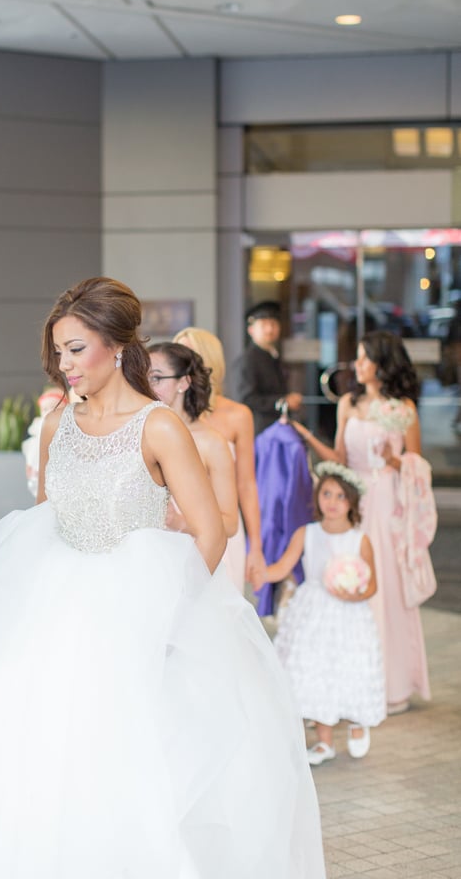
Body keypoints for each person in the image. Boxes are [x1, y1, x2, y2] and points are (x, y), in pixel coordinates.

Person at [0, 277, 326, 879]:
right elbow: (45, 520)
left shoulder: (158, 426)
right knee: (27, 761)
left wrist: (171, 612)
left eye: (76, 350)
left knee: (126, 766)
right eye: (58, 352)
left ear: (117, 346)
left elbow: (211, 531)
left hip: (135, 616)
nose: (64, 366)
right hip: (53, 617)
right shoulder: (56, 423)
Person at [292, 331, 431, 713]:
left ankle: (392, 683)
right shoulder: (348, 404)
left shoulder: (404, 408)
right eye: (357, 358)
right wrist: (306, 436)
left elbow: (418, 465)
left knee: (382, 584)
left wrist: (393, 460)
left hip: (386, 502)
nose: (358, 365)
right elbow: (338, 457)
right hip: (354, 502)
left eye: (365, 358)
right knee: (344, 575)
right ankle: (347, 681)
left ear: (383, 364)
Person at [266, 461, 385, 766]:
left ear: (352, 503)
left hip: (349, 614)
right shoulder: (306, 533)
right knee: (313, 670)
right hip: (313, 612)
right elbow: (283, 566)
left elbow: (372, 585)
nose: (332, 502)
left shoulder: (360, 540)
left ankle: (358, 722)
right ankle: (324, 741)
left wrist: (354, 592)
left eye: (340, 497)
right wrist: (262, 574)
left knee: (349, 666)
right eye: (327, 494)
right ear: (317, 497)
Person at [172, 326, 265, 591]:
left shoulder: (238, 415)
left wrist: (256, 547)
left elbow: (246, 484)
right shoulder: (167, 415)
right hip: (176, 527)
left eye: (190, 353)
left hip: (224, 526)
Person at [147, 342, 240, 538]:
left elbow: (230, 524)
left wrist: (180, 522)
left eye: (156, 378)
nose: (147, 386)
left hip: (190, 550)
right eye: (142, 377)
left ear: (183, 383)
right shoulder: (140, 433)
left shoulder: (211, 442)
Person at [231, 301, 303, 436]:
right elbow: (246, 399)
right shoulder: (248, 360)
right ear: (251, 330)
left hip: (277, 428)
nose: (270, 329)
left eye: (274, 324)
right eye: (264, 324)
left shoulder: (273, 356)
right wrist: (283, 402)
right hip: (259, 431)